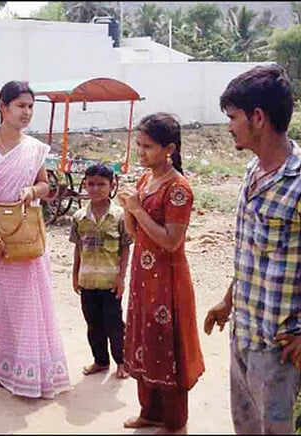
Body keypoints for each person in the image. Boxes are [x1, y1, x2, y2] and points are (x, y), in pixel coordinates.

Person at [204, 64, 301, 434]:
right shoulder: (251, 172)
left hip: (280, 349)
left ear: (258, 117)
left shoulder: (298, 182)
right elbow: (252, 254)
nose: (229, 126)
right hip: (243, 334)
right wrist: (228, 301)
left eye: (233, 117)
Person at [0, 80, 71, 399]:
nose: (26, 112)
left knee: (27, 302)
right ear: (4, 107)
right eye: (20, 106)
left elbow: (46, 186)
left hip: (25, 233)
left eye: (30, 107)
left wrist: (31, 191)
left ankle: (28, 367)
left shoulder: (34, 148)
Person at [117, 112, 205, 432]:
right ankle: (150, 411)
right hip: (143, 277)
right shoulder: (145, 181)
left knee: (167, 345)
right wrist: (129, 209)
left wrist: (137, 209)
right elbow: (134, 233)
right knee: (145, 339)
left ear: (169, 149)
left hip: (168, 280)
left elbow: (171, 241)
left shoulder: (178, 188)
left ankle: (174, 421)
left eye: (148, 146)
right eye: (139, 145)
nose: (140, 152)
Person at [69, 162, 131, 380]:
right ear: (85, 185)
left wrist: (121, 278)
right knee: (93, 324)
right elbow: (78, 248)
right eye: (91, 184)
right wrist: (75, 275)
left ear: (112, 185)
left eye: (101, 184)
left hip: (110, 281)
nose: (95, 189)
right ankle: (100, 361)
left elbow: (125, 248)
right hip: (87, 281)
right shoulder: (79, 217)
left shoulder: (120, 216)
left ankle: (122, 362)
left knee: (114, 324)